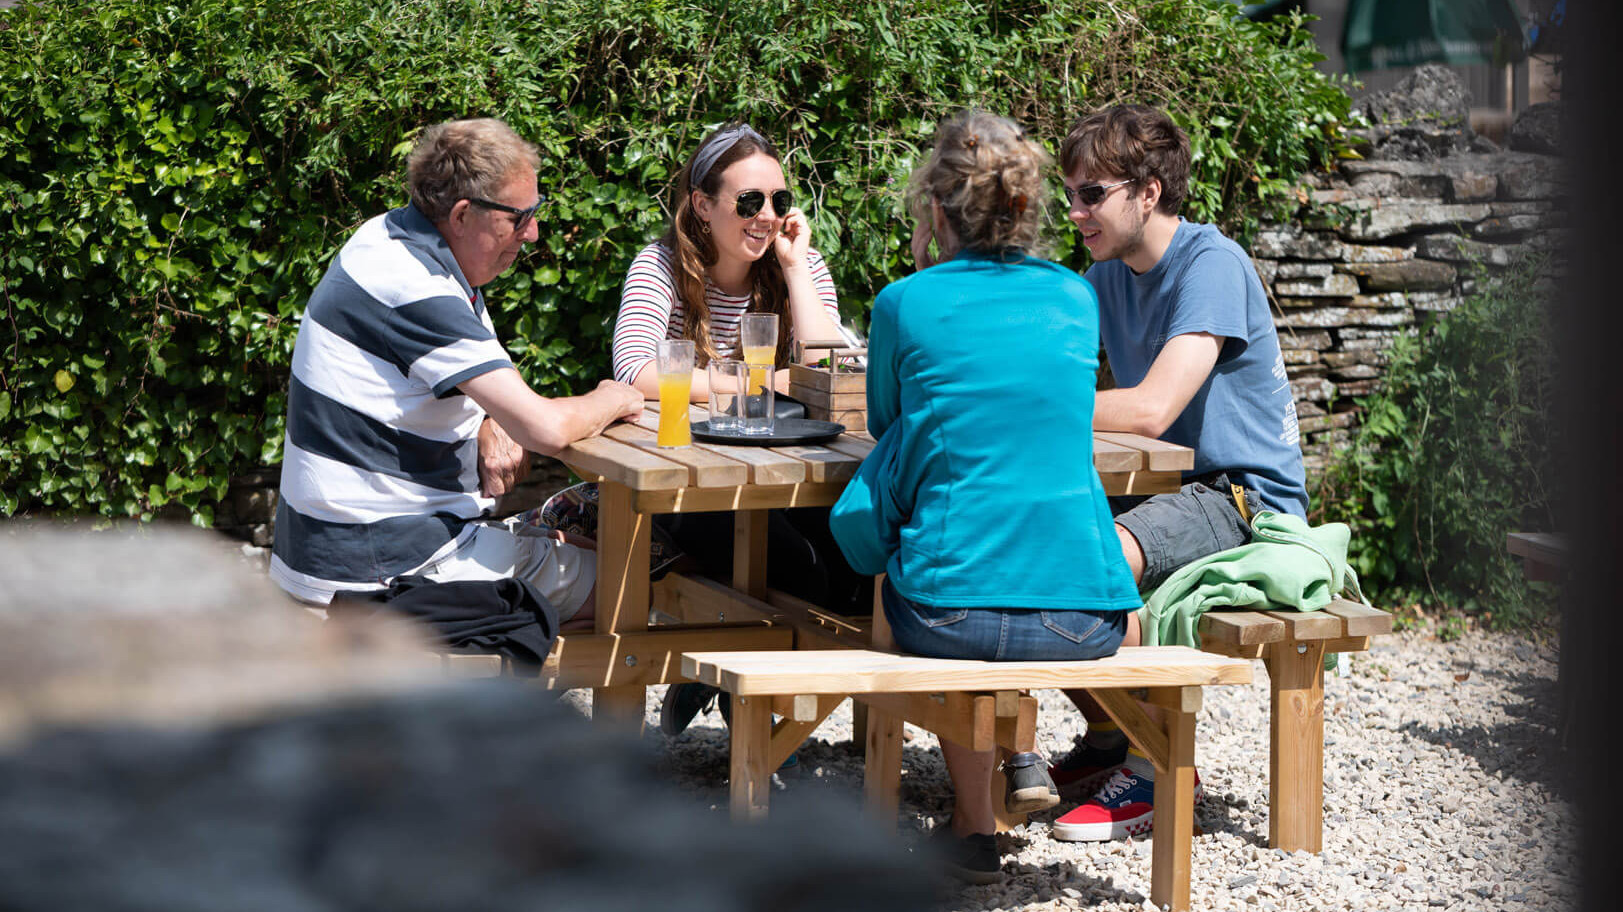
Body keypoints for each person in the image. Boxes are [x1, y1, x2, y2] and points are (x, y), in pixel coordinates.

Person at [828, 110, 1143, 884]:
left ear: (936, 209)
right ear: (1027, 207)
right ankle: (1025, 755)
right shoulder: (1075, 298)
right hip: (1082, 621)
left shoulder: (906, 302)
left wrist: (921, 279)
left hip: (948, 615)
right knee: (1005, 554)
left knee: (936, 565)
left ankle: (973, 828)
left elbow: (887, 425)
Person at [1045, 104, 1309, 842]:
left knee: (1093, 562)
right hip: (1169, 489)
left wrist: (1031, 406)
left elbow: (1151, 409)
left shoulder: (1210, 265)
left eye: (1091, 194)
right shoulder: (1105, 276)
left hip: (1244, 497)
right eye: (1070, 194)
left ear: (1148, 192)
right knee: (1029, 544)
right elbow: (1049, 366)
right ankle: (1109, 737)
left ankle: (1158, 770)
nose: (1075, 211)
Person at [270, 117, 643, 626]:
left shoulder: (387, 239)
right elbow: (545, 428)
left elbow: (447, 388)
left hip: (348, 552)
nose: (533, 233)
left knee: (586, 549)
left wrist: (489, 420)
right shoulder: (417, 285)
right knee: (634, 584)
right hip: (383, 572)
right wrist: (616, 395)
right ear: (464, 214)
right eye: (520, 217)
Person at [610, 123, 867, 736]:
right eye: (749, 202)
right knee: (798, 568)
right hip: (692, 479)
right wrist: (760, 382)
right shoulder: (661, 266)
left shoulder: (800, 266)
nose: (767, 216)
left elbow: (834, 366)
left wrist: (797, 271)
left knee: (853, 569)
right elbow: (637, 370)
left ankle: (729, 688)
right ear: (702, 206)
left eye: (779, 200)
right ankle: (738, 698)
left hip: (789, 475)